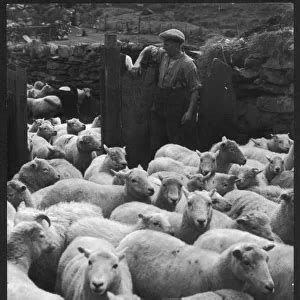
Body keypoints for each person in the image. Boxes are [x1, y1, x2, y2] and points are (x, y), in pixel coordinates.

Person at [131, 29, 202, 158]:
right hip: (159, 102)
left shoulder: (188, 64)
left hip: (176, 105)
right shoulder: (163, 55)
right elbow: (148, 49)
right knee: (155, 137)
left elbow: (195, 89)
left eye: (167, 44)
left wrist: (190, 112)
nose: (164, 46)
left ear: (176, 45)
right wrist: (137, 62)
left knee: (174, 140)